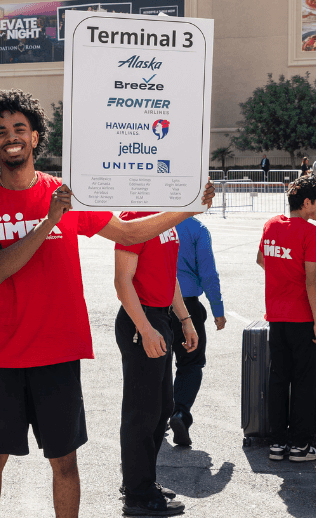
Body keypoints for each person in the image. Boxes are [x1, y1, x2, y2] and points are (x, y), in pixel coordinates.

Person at [0, 88, 213, 518]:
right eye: (0, 132)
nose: (11, 137)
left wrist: (187, 208)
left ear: (36, 137)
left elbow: (130, 233)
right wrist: (49, 221)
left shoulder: (66, 192)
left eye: (20, 128)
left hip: (58, 352)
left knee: (65, 463)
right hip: (2, 354)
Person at [114, 213, 199, 517]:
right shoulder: (131, 219)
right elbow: (122, 281)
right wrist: (145, 328)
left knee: (162, 407)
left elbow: (168, 275)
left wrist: (185, 319)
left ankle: (142, 482)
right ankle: (138, 494)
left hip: (160, 317)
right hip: (142, 320)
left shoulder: (165, 220)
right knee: (142, 411)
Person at [258, 174, 316, 462]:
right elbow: (312, 281)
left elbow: (262, 260)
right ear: (307, 202)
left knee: (278, 378)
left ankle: (277, 443)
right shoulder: (310, 233)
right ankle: (301, 445)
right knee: (303, 382)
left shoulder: (271, 225)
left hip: (276, 317)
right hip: (301, 319)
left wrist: (282, 275)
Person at [167, 216, 225, 447]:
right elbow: (208, 271)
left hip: (154, 304)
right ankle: (180, 413)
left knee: (157, 364)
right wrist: (217, 308)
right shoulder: (196, 228)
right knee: (191, 363)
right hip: (188, 305)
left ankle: (157, 418)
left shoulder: (151, 221)